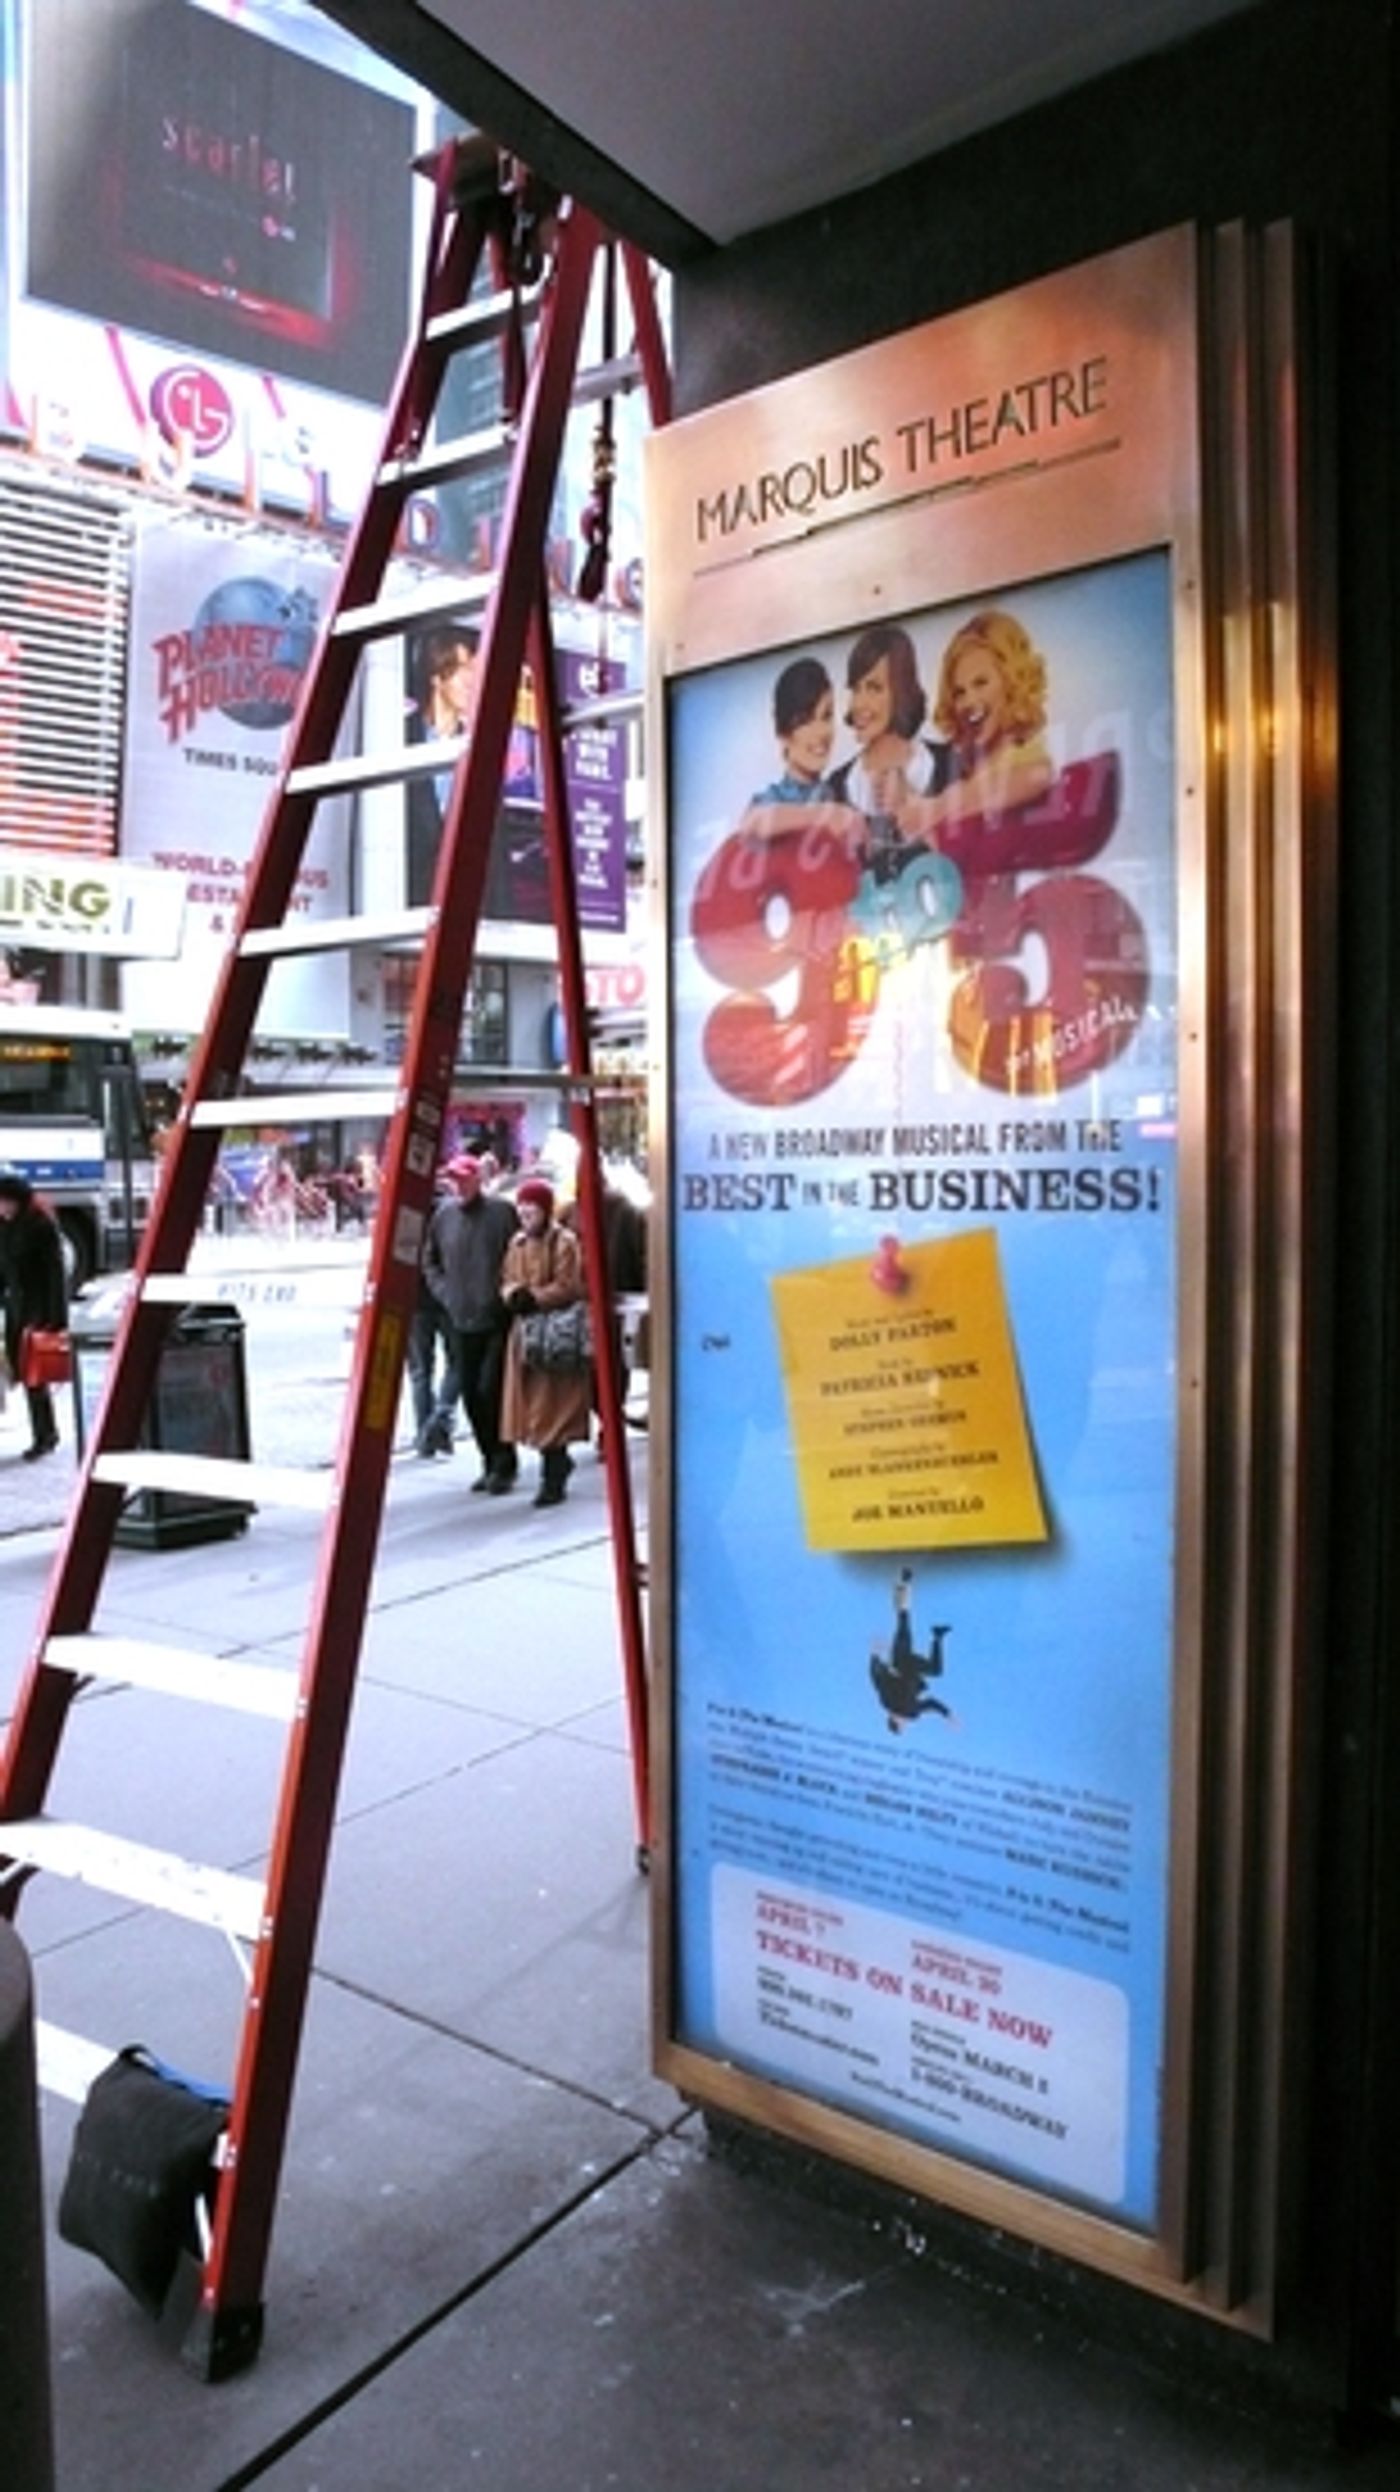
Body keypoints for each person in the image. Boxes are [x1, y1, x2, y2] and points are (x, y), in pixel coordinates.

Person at [893, 609, 1055, 844]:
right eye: (960, 692)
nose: (968, 702)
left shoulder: (1025, 760)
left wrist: (935, 809)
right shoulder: (962, 766)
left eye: (981, 683)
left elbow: (1035, 776)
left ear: (1011, 682)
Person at [824, 622, 953, 879]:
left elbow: (968, 878)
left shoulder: (949, 763)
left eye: (874, 688)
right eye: (856, 689)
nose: (859, 703)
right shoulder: (836, 788)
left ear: (902, 690)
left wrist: (909, 805)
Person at [422, 1154, 519, 1492]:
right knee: (470, 1395)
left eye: (465, 1179)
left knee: (490, 1390)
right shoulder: (444, 1216)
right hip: (460, 1318)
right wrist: (445, 1293)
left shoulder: (501, 1212)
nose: (459, 1186)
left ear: (478, 1179)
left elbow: (519, 1253)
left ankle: (504, 1461)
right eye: (454, 1180)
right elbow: (430, 1261)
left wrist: (506, 1292)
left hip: (496, 1318)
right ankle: (489, 1458)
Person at [499, 1177, 592, 1507]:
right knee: (534, 1410)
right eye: (522, 1208)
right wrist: (513, 1295)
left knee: (553, 1409)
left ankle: (553, 1474)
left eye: (531, 1208)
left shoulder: (565, 1242)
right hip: (526, 1336)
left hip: (556, 1337)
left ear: (545, 1209)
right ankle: (552, 1465)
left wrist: (534, 1298)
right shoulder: (517, 1243)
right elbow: (507, 1278)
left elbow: (570, 1285)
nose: (525, 1213)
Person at [0, 1169, 68, 1461]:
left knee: (34, 1375)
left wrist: (56, 1319)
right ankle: (43, 1432)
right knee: (18, 1371)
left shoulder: (41, 1225)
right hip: (15, 1308)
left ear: (15, 1201)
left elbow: (56, 1275)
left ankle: (45, 1434)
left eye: (3, 1202)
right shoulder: (3, 1226)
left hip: (37, 1311)